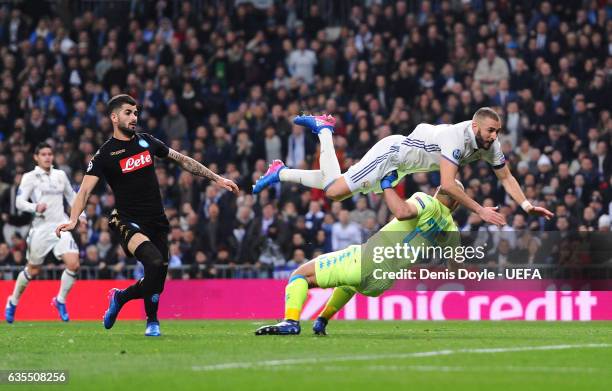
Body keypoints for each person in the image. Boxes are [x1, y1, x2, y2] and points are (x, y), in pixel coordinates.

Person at [55, 94, 239, 336]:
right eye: (128, 113)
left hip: (157, 220)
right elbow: (85, 190)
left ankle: (122, 298)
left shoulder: (147, 141)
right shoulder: (105, 155)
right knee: (152, 261)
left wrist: (217, 178)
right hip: (126, 219)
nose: (134, 117)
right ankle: (152, 321)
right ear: (114, 117)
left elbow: (182, 160)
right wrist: (73, 218)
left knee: (157, 279)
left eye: (135, 113)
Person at [253, 108, 553, 226]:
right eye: (490, 131)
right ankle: (324, 129)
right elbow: (447, 185)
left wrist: (526, 205)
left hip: (402, 167)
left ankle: (280, 172)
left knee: (336, 183)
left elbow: (506, 176)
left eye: (497, 131)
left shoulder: (491, 146)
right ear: (475, 126)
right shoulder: (454, 137)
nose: (495, 136)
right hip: (393, 154)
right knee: (334, 193)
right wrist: (480, 210)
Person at [255, 177, 464, 335]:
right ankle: (322, 321)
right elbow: (454, 269)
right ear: (456, 204)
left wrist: (387, 185)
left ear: (439, 190)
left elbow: (402, 212)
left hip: (367, 259)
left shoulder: (425, 200)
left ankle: (291, 322)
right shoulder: (452, 231)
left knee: (299, 276)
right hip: (382, 283)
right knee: (349, 283)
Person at [5, 142, 84, 323]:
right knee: (33, 270)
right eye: (43, 154)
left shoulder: (60, 175)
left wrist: (82, 215)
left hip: (61, 225)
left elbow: (72, 196)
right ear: (36, 157)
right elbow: (19, 202)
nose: (48, 157)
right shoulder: (29, 177)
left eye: (50, 154)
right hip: (41, 228)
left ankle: (60, 301)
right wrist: (35, 207)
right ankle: (13, 301)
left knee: (74, 264)